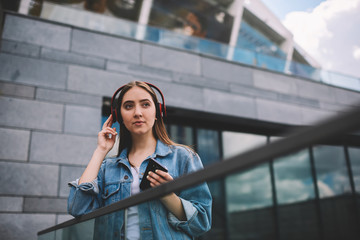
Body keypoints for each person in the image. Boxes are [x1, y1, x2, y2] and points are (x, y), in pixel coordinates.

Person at [67, 81, 212, 239]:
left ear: (157, 112)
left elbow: (202, 222)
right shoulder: (107, 167)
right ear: (119, 116)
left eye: (145, 104)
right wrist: (100, 150)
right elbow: (77, 208)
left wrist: (168, 196)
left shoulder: (183, 158)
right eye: (128, 106)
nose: (137, 113)